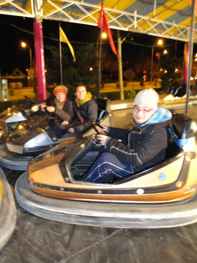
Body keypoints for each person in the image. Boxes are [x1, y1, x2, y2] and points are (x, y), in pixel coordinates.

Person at [82, 88, 172, 183]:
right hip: (137, 163)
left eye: (145, 109)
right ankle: (102, 181)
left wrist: (109, 142)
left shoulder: (157, 132)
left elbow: (136, 158)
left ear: (153, 111)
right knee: (105, 148)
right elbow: (130, 135)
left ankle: (83, 186)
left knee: (106, 161)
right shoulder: (147, 123)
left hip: (142, 171)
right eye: (137, 108)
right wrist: (110, 130)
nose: (139, 113)